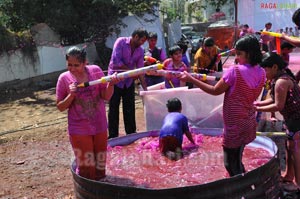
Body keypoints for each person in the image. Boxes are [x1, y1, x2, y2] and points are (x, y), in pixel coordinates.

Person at [180, 35, 266, 177]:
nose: (236, 58)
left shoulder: (235, 71)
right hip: (248, 120)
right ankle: (245, 180)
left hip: (234, 123)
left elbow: (215, 91)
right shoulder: (262, 72)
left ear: (249, 54)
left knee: (229, 164)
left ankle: (239, 189)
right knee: (237, 158)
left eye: (239, 54)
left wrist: (191, 79)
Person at [56, 46, 119, 180]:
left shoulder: (95, 71)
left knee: (100, 167)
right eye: (69, 65)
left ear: (85, 63)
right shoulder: (64, 79)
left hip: (100, 125)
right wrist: (71, 95)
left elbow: (106, 96)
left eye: (76, 65)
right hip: (79, 129)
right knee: (86, 167)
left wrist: (111, 84)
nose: (72, 69)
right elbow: (60, 106)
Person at [254, 52, 300, 190]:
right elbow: (273, 99)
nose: (264, 72)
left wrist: (255, 108)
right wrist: (257, 104)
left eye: (265, 69)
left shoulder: (281, 81)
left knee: (296, 152)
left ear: (274, 67)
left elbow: (278, 105)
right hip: (291, 120)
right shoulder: (278, 79)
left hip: (297, 120)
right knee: (288, 147)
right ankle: (288, 175)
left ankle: (298, 183)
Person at [107, 27, 148, 139]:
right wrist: (131, 72)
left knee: (129, 107)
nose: (141, 43)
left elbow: (140, 70)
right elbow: (116, 61)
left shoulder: (140, 50)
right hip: (115, 80)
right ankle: (113, 136)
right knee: (114, 108)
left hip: (129, 82)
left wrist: (146, 90)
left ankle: (131, 134)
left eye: (144, 42)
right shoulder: (120, 42)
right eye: (141, 41)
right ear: (135, 37)